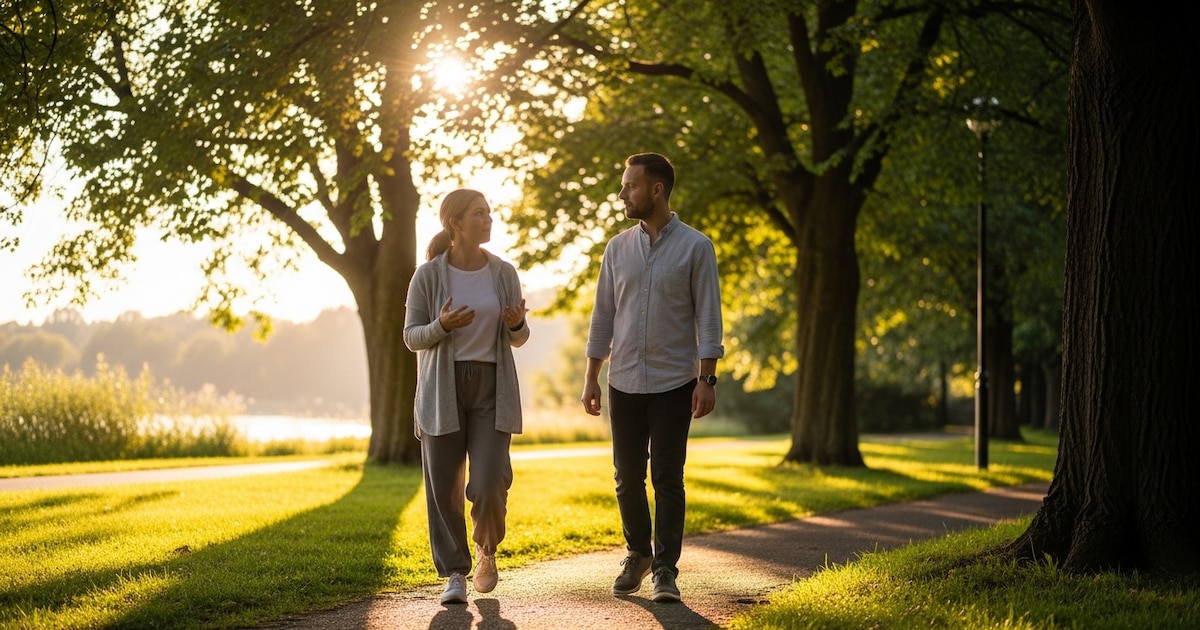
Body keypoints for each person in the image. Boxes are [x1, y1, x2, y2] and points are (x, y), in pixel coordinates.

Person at [581, 152, 724, 603]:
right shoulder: (616, 248)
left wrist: (708, 378)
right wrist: (591, 376)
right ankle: (638, 554)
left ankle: (665, 570)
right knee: (626, 476)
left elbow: (708, 316)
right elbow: (602, 316)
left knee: (667, 476)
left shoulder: (696, 247)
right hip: (622, 379)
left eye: (630, 186)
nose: (622, 193)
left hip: (674, 382)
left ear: (656, 190)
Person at [403, 188, 529, 605]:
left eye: (489, 213)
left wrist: (514, 325)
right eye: (479, 213)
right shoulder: (428, 276)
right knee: (444, 487)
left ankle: (487, 549)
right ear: (455, 223)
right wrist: (440, 324)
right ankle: (454, 573)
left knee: (491, 482)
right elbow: (411, 337)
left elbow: (520, 338)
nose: (488, 219)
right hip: (442, 388)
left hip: (492, 388)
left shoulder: (504, 273)